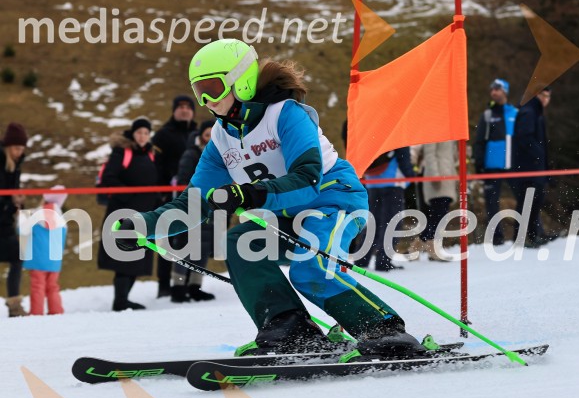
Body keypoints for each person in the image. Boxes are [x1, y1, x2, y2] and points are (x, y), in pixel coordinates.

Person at [111, 38, 427, 357]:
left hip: (335, 200)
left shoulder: (285, 114)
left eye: (213, 87)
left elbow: (308, 178)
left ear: (241, 81)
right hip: (286, 215)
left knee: (311, 268)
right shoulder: (222, 138)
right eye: (199, 90)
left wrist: (251, 194)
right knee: (240, 242)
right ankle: (290, 329)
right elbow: (193, 205)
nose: (206, 99)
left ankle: (383, 330)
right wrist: (142, 225)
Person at [97, 118, 159, 311]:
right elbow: (109, 177)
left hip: (144, 213)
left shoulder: (151, 154)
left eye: (146, 133)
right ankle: (120, 301)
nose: (142, 136)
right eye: (139, 132)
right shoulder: (122, 152)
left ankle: (124, 299)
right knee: (123, 256)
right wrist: (128, 194)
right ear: (133, 134)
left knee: (138, 255)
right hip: (122, 212)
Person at [152, 95, 197, 298]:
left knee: (192, 240)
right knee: (166, 239)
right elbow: (156, 166)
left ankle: (185, 283)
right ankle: (164, 284)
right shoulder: (163, 135)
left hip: (193, 194)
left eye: (188, 106)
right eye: (180, 106)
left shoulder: (197, 133)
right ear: (173, 110)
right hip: (169, 195)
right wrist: (161, 193)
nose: (184, 110)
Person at [169, 119, 216, 303]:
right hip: (191, 206)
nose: (210, 138)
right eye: (207, 134)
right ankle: (178, 287)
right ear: (200, 137)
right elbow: (183, 180)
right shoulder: (191, 154)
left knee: (203, 248)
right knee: (184, 247)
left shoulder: (222, 155)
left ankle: (195, 286)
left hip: (212, 208)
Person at [354, 147, 415, 271]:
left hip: (372, 181)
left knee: (373, 223)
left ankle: (361, 259)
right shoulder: (396, 130)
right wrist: (411, 175)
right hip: (392, 181)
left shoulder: (371, 130)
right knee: (392, 223)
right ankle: (383, 260)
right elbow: (403, 155)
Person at [473, 79, 517, 245]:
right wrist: (479, 165)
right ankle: (497, 237)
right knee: (492, 202)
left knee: (524, 197)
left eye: (497, 89)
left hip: (513, 165)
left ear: (505, 91)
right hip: (492, 166)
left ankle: (523, 233)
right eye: (492, 89)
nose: (493, 92)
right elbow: (479, 141)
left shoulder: (514, 112)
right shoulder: (488, 114)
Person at [510, 86, 551, 247]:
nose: (545, 100)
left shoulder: (534, 111)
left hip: (532, 167)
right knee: (528, 202)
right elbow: (525, 137)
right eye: (543, 95)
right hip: (528, 168)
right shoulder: (529, 112)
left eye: (548, 96)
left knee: (533, 202)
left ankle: (532, 235)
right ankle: (523, 237)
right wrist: (539, 153)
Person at [21, 186, 68, 315]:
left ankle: (36, 312)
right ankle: (56, 311)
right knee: (53, 286)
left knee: (37, 286)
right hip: (54, 260)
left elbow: (22, 231)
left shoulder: (36, 215)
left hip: (37, 259)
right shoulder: (62, 219)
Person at [0, 122, 29, 317]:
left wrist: (18, 202)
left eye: (22, 148)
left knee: (17, 256)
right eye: (17, 148)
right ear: (9, 147)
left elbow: (11, 195)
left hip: (5, 222)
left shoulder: (15, 165)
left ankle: (14, 305)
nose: (19, 152)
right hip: (2, 218)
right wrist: (11, 203)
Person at [410, 141, 458, 261]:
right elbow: (430, 155)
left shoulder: (450, 133)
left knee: (438, 214)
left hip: (447, 176)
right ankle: (431, 246)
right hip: (437, 178)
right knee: (438, 215)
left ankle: (417, 246)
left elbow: (451, 158)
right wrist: (435, 176)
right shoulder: (435, 131)